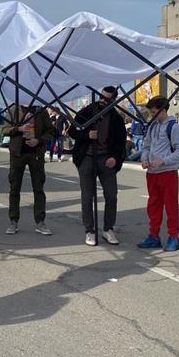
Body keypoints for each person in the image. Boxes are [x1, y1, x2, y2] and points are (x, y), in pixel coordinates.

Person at [68, 87, 127, 246]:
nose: (103, 101)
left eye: (107, 99)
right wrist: (86, 135)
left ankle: (108, 229)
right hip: (87, 157)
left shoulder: (116, 118)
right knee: (87, 196)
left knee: (111, 195)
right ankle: (89, 230)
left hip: (106, 159)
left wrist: (115, 158)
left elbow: (121, 142)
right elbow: (72, 131)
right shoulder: (87, 111)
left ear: (113, 101)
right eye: (101, 97)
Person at [138, 96, 179, 252]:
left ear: (163, 110)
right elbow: (146, 147)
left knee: (171, 206)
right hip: (152, 172)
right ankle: (154, 235)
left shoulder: (174, 127)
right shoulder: (153, 127)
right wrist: (145, 159)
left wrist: (164, 161)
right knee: (153, 205)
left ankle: (173, 237)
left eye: (153, 112)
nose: (152, 115)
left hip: (167, 172)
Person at [2, 103, 55, 235]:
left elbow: (51, 131)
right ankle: (13, 221)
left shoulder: (41, 110)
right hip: (17, 154)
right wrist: (18, 129)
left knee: (38, 189)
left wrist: (39, 140)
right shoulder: (13, 109)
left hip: (36, 154)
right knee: (14, 188)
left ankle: (40, 222)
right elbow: (5, 129)